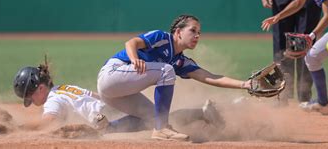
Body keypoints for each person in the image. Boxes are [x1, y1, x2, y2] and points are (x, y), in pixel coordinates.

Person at [97, 14, 252, 141]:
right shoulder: (162, 37)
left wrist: (245, 84)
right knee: (166, 70)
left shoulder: (180, 60)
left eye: (199, 33)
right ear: (178, 32)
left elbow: (209, 77)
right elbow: (131, 42)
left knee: (154, 117)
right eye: (193, 31)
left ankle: (107, 128)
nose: (197, 35)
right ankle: (161, 130)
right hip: (112, 74)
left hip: (118, 93)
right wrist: (133, 59)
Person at [13, 61, 224, 134]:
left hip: (108, 118)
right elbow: (92, 95)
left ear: (40, 88)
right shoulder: (62, 88)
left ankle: (203, 113)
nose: (32, 102)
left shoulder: (53, 99)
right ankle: (203, 113)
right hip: (112, 107)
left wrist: (19, 128)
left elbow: (48, 120)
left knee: (156, 123)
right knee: (158, 121)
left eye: (30, 97)